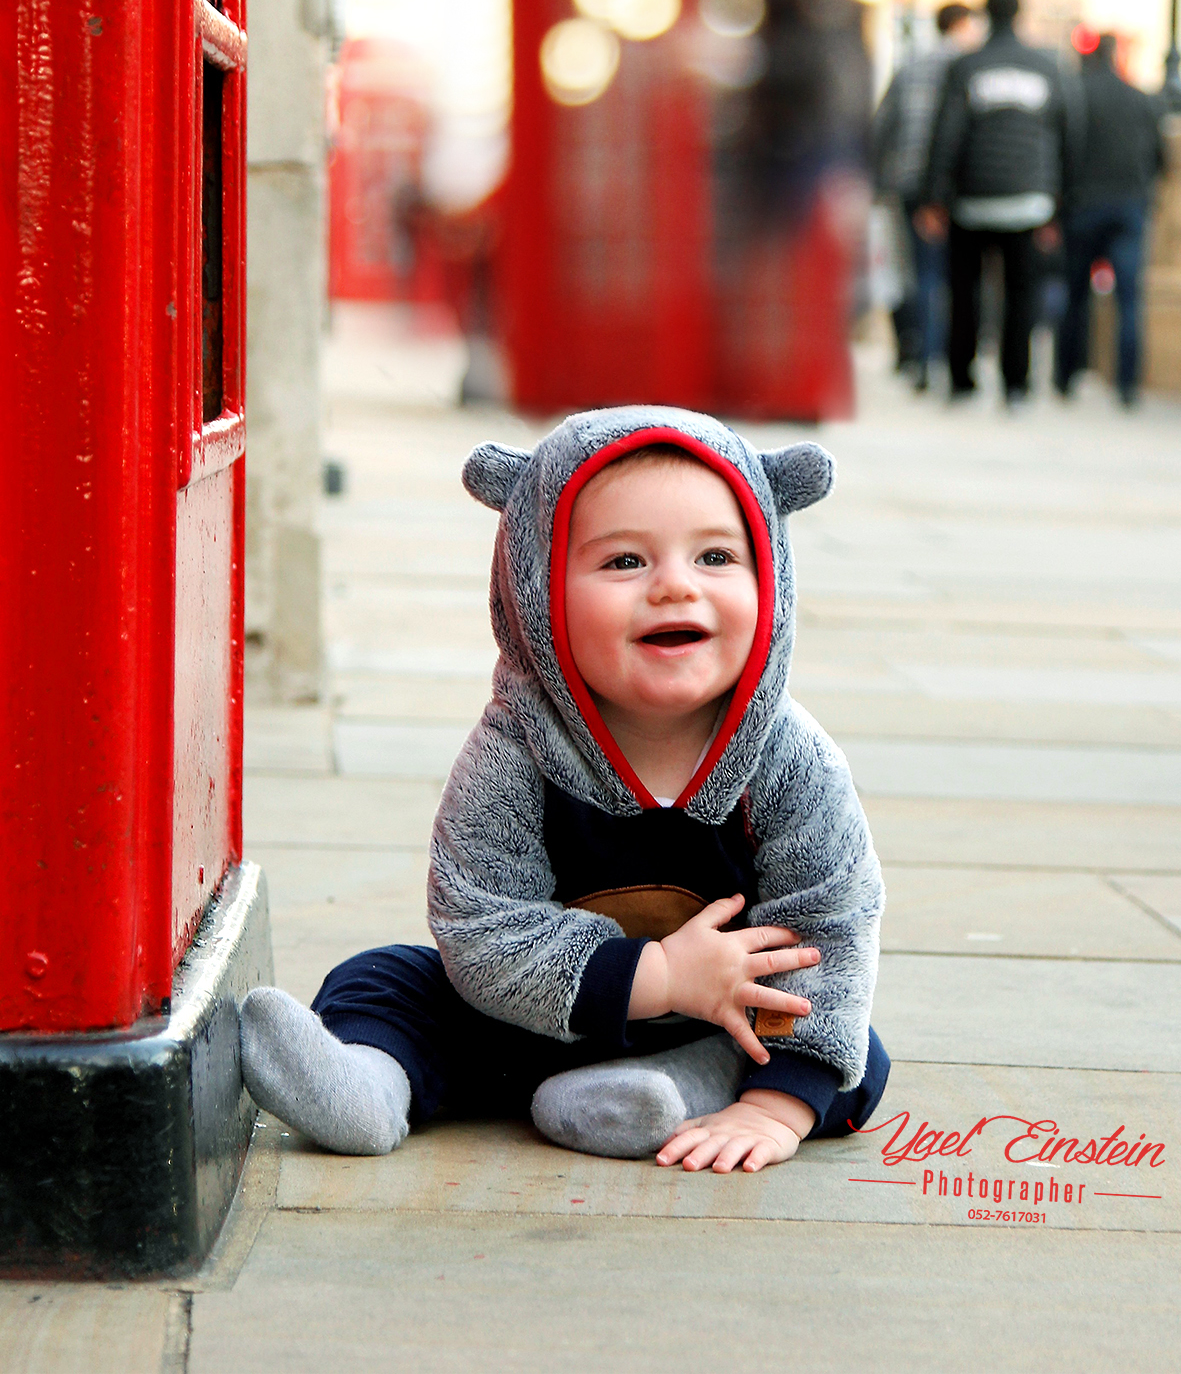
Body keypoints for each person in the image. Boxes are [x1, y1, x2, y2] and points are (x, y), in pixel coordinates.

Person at [239, 410, 888, 1174]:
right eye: (623, 563)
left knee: (846, 1048)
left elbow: (830, 919)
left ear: (769, 578)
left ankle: (680, 1091)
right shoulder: (515, 747)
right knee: (381, 978)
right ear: (536, 591)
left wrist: (774, 1109)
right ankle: (372, 1088)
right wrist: (656, 975)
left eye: (715, 555)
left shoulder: (789, 757)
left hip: (714, 1020)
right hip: (520, 1018)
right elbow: (479, 920)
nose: (674, 585)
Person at [920, 0, 1075, 404]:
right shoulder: (1047, 67)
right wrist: (1060, 202)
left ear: (986, 13)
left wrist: (934, 196)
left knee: (965, 292)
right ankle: (1016, 384)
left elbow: (946, 135)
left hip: (972, 200)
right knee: (1022, 294)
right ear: (1020, 12)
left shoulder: (967, 66)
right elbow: (1067, 136)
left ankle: (962, 380)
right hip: (1029, 200)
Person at [872, 1, 980, 388]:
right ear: (963, 25)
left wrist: (878, 183)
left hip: (908, 184)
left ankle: (921, 356)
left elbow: (883, 126)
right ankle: (947, 357)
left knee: (919, 273)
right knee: (961, 277)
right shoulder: (972, 68)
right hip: (958, 188)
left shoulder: (910, 67)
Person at [1054, 33, 1164, 408]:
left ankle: (1066, 376)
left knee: (1074, 295)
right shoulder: (1140, 99)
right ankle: (1127, 385)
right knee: (1129, 299)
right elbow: (1158, 157)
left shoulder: (1076, 94)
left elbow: (1063, 151)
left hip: (1083, 205)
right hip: (1129, 206)